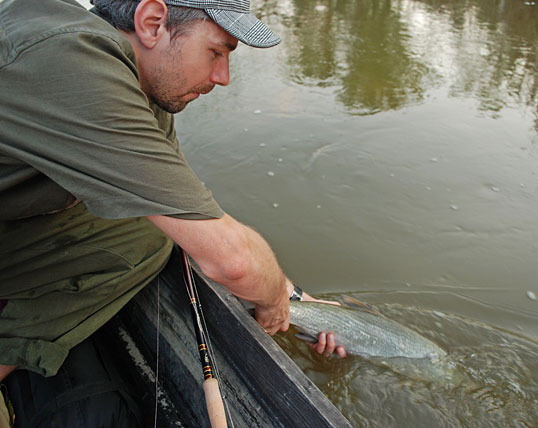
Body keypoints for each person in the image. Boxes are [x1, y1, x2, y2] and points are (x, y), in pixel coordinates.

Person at [0, 0, 345, 421]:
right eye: (217, 52)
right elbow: (231, 259)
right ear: (152, 22)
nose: (223, 78)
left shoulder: (141, 87)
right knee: (145, 241)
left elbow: (192, 208)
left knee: (153, 230)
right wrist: (271, 298)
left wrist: (293, 296)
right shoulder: (73, 62)